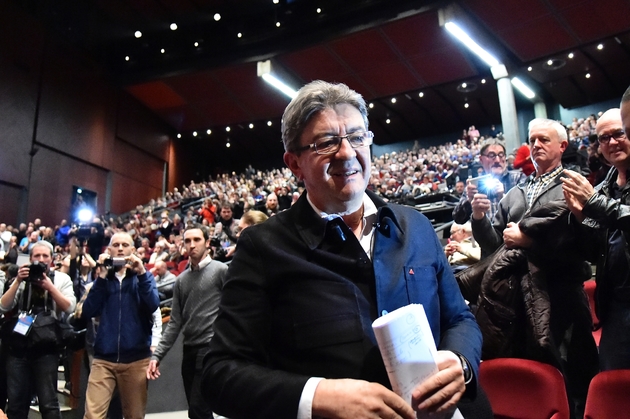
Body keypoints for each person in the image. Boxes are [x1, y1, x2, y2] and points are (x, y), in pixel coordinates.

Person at [202, 81, 488, 419]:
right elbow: (220, 374)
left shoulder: (417, 226)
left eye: (356, 137)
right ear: (295, 164)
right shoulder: (263, 247)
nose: (347, 153)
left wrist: (460, 361)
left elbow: (460, 319)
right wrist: (318, 395)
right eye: (326, 142)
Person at [463, 118, 598, 417]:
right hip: (520, 298)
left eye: (543, 140)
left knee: (571, 373)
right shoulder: (517, 191)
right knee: (535, 372)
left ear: (562, 146)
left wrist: (528, 242)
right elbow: (494, 246)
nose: (535, 145)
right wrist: (480, 217)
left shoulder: (575, 183)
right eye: (532, 140)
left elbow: (583, 246)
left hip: (561, 293)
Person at [561, 104, 630, 371]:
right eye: (604, 138)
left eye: (618, 133)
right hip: (614, 307)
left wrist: (592, 203)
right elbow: (593, 252)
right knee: (616, 391)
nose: (612, 142)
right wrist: (580, 217)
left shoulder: (596, 195)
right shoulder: (602, 188)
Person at [146, 225, 227, 419]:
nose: (192, 245)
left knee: (198, 410)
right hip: (189, 350)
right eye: (188, 241)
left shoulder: (220, 270)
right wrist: (157, 356)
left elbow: (234, 307)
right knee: (198, 410)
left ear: (207, 243)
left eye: (197, 240)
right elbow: (175, 323)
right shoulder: (181, 280)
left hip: (210, 349)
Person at [81, 232, 159, 419]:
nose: (121, 248)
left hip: (135, 360)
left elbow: (153, 304)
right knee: (92, 415)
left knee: (134, 415)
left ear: (133, 250)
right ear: (109, 251)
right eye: (116, 245)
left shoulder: (143, 278)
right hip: (104, 359)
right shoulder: (103, 280)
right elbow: (88, 311)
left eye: (125, 245)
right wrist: (101, 276)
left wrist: (141, 274)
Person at [0, 241, 76, 419]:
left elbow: (69, 307)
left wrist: (50, 287)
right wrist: (18, 281)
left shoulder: (61, 279)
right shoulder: (21, 278)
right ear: (30, 258)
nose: (40, 260)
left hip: (47, 348)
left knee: (48, 403)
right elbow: (3, 307)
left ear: (52, 259)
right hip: (19, 348)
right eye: (36, 256)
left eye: (45, 256)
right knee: (16, 403)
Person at [452, 138, 526, 226]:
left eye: (501, 155)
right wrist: (469, 202)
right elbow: (458, 219)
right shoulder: (474, 184)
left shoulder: (518, 178)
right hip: (483, 236)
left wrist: (504, 198)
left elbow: (526, 212)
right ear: (481, 159)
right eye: (492, 155)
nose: (497, 160)